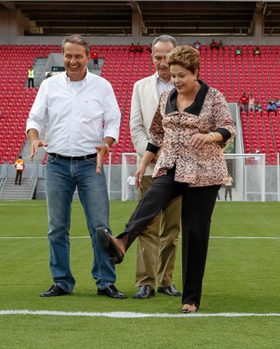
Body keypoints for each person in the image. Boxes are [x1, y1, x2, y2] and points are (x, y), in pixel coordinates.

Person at [97, 45, 236, 314]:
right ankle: (122, 242)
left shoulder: (213, 97)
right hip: (170, 166)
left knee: (194, 233)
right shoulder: (166, 98)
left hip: (204, 172)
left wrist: (210, 136)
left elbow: (229, 127)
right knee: (151, 201)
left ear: (196, 72)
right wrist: (143, 163)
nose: (176, 81)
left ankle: (191, 298)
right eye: (173, 75)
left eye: (182, 75)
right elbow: (157, 135)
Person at [26, 35, 124, 299]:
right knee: (57, 227)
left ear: (87, 57)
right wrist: (34, 138)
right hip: (56, 164)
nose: (72, 60)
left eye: (77, 55)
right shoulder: (49, 86)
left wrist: (106, 142)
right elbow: (34, 117)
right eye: (68, 55)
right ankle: (62, 281)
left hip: (91, 165)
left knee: (100, 227)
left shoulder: (102, 86)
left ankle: (105, 281)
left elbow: (114, 121)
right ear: (63, 56)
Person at [128, 35, 183, 300]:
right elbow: (136, 127)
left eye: (166, 57)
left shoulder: (187, 85)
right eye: (157, 57)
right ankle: (145, 282)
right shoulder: (140, 87)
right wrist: (152, 155)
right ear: (152, 57)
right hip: (150, 170)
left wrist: (171, 155)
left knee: (172, 230)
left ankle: (166, 280)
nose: (162, 62)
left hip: (180, 171)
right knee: (147, 227)